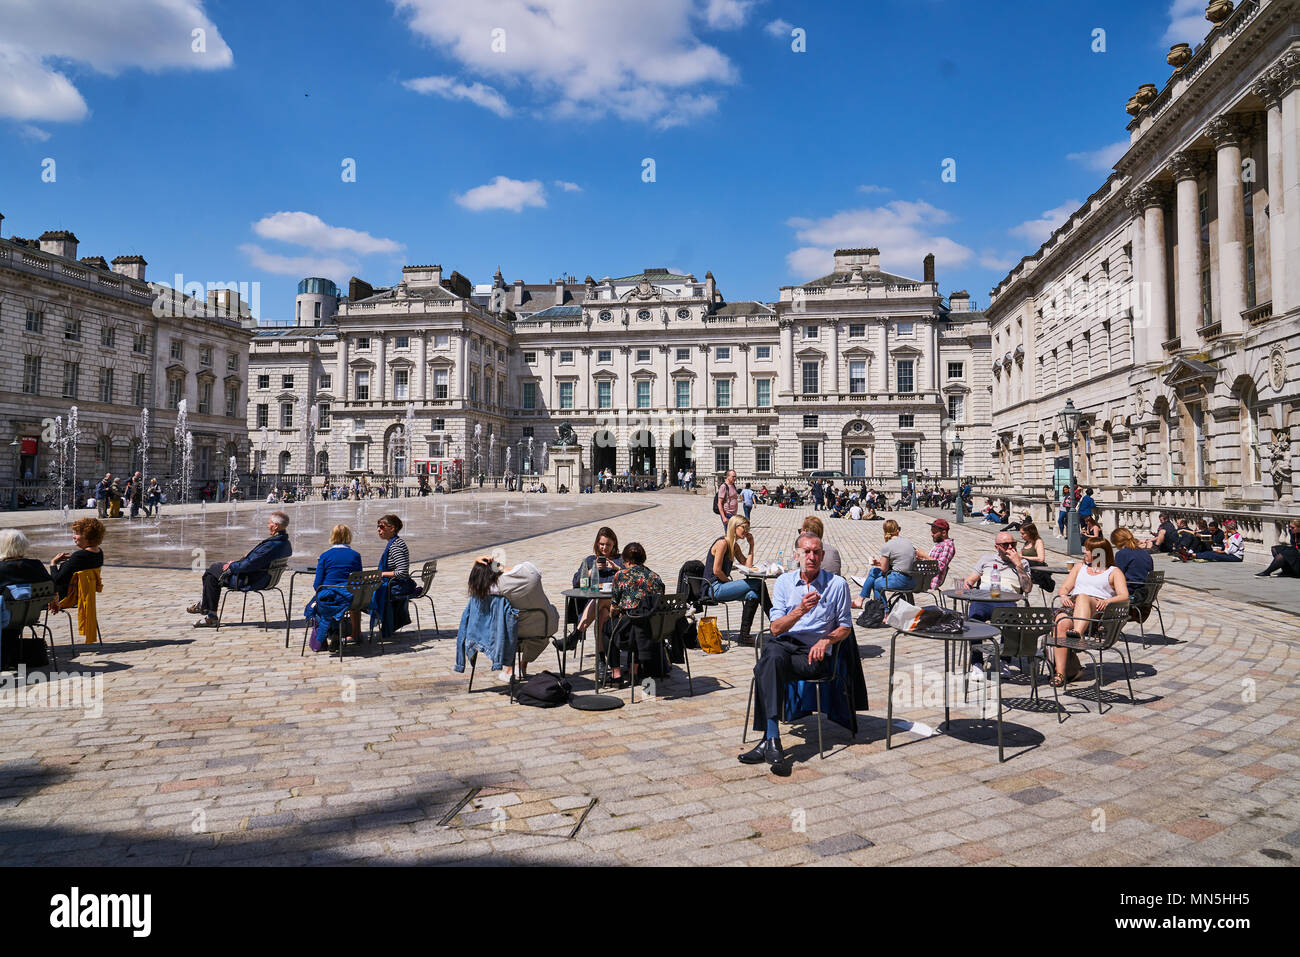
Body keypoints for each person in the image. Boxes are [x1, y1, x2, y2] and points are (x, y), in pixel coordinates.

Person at [739, 532, 852, 772]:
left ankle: (768, 740)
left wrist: (826, 641)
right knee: (772, 657)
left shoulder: (837, 585)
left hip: (814, 654)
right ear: (796, 556)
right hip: (784, 645)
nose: (812, 556)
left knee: (765, 667)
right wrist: (800, 610)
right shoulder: (784, 582)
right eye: (806, 552)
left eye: (816, 552)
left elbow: (845, 626)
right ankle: (772, 740)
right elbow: (776, 628)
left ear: (822, 555)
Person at [1049, 537, 1130, 687]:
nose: (1084, 552)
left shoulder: (1113, 571)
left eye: (1088, 550)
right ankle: (1060, 673)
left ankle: (1077, 634)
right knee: (1060, 621)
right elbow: (1065, 588)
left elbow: (1124, 595)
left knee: (1083, 597)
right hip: (1073, 606)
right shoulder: (1079, 567)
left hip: (1097, 611)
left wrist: (1107, 601)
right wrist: (1063, 595)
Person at [190, 512, 292, 627]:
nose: (267, 525)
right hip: (266, 579)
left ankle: (208, 612)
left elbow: (249, 565)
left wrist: (232, 566)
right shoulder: (285, 543)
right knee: (214, 572)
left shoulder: (272, 545)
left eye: (269, 523)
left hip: (251, 580)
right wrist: (236, 563)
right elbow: (255, 561)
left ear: (276, 525)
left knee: (212, 571)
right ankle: (207, 610)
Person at [473, 554, 559, 683]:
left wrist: (475, 562)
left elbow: (477, 584)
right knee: (537, 617)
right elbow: (509, 569)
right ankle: (522, 666)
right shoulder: (530, 570)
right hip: (547, 625)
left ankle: (510, 669)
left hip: (519, 631)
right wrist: (496, 564)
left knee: (506, 621)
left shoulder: (496, 588)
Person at [604, 542, 665, 685]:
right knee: (641, 623)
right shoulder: (655, 577)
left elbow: (614, 607)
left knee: (607, 629)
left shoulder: (621, 575)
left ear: (627, 560)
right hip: (652, 631)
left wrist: (614, 612)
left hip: (629, 629)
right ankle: (634, 671)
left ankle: (616, 674)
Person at [556, 527, 624, 653]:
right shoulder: (590, 560)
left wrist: (617, 568)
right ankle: (601, 660)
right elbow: (576, 583)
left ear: (614, 543)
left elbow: (631, 579)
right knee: (602, 613)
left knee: (601, 601)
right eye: (601, 544)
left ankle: (575, 636)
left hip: (618, 606)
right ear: (597, 544)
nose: (604, 548)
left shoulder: (621, 560)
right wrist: (592, 571)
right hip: (597, 608)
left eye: (608, 544)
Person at [704, 515, 769, 645]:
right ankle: (775, 619)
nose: (746, 531)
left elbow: (748, 566)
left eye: (748, 528)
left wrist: (751, 545)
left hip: (722, 585)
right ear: (735, 527)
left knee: (754, 594)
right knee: (758, 583)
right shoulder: (722, 543)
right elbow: (716, 571)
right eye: (744, 527)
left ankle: (744, 636)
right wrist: (729, 583)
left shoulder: (734, 546)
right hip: (714, 587)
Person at [0, 530, 55, 670]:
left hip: (5, 618)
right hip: (29, 616)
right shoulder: (36, 565)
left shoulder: (2, 569)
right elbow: (51, 587)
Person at [311, 524, 364, 650]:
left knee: (314, 606)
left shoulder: (325, 556)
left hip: (330, 597)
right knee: (335, 601)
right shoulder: (355, 555)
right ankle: (336, 632)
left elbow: (317, 585)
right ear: (349, 536)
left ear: (332, 536)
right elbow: (358, 578)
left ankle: (332, 632)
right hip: (350, 598)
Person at [960, 530, 1032, 621]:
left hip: (1006, 600)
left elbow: (1027, 589)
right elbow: (970, 580)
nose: (1010, 547)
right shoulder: (986, 559)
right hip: (983, 598)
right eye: (1005, 545)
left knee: (1009, 627)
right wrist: (967, 585)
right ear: (997, 547)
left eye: (1013, 544)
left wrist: (1018, 565)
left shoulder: (1023, 563)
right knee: (975, 617)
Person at [370, 513, 414, 640]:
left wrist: (382, 574)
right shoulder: (394, 543)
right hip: (396, 585)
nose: (378, 529)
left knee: (363, 598)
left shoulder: (396, 546)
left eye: (382, 527)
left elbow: (402, 572)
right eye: (378, 527)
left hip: (397, 587)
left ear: (392, 528)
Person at [853, 519, 915, 608]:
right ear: (897, 530)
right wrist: (878, 563)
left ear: (885, 531)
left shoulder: (888, 545)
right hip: (913, 580)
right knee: (873, 571)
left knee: (876, 582)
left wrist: (876, 564)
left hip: (900, 580)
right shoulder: (908, 543)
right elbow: (899, 562)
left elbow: (883, 569)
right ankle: (860, 599)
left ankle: (883, 612)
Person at [49, 517, 106, 606]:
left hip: (64, 597)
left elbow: (56, 580)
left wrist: (53, 563)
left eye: (76, 533)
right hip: (80, 595)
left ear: (87, 536)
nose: (73, 536)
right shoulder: (99, 553)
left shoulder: (79, 556)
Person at [1110, 527, 1153, 603]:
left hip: (1131, 592)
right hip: (1145, 592)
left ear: (1117, 542)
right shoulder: (1144, 553)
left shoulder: (1122, 554)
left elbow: (1116, 575)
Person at [918, 518, 956, 590]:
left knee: (900, 579)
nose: (931, 534)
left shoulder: (948, 545)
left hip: (930, 581)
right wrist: (922, 559)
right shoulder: (940, 544)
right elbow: (932, 562)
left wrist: (924, 555)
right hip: (924, 577)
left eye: (934, 532)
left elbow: (940, 566)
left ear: (944, 533)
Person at [1019, 522, 1055, 593]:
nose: (1021, 536)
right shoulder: (1026, 542)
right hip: (1026, 568)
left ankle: (1021, 587)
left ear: (1029, 533)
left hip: (1035, 569)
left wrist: (1023, 557)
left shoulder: (1038, 542)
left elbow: (1041, 559)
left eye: (1023, 533)